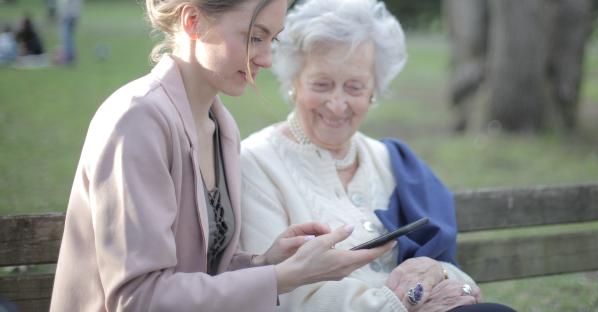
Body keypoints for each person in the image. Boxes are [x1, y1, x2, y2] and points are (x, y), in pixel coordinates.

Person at [50, 0, 393, 310]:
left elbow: (199, 269)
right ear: (193, 22)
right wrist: (281, 278)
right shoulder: (137, 120)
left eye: (272, 39)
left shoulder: (220, 124)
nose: (267, 59)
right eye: (254, 37)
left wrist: (267, 262)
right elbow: (138, 298)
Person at [239, 0, 516, 311]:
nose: (337, 103)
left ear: (374, 91)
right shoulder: (256, 162)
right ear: (294, 82)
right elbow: (285, 295)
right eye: (322, 84)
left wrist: (440, 273)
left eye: (355, 87)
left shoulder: (391, 161)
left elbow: (453, 273)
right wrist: (402, 304)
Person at [55, 0, 80, 64]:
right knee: (68, 37)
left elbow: (68, 4)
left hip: (68, 16)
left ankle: (69, 57)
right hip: (69, 16)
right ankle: (70, 56)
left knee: (67, 38)